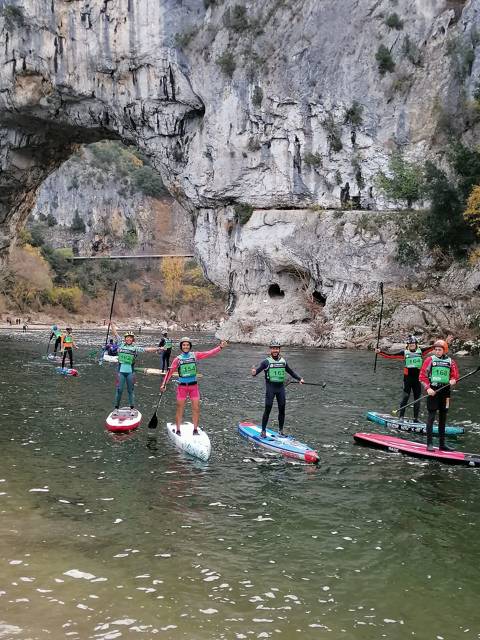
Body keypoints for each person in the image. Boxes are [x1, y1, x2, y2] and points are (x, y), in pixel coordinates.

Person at [161, 337, 227, 436]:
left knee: (196, 408)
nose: (186, 346)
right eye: (184, 345)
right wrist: (163, 384)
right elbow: (170, 372)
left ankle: (195, 430)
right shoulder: (177, 359)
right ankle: (178, 430)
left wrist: (220, 347)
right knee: (180, 408)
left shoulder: (195, 355)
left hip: (194, 387)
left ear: (190, 346)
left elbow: (209, 353)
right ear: (181, 346)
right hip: (182, 387)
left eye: (187, 345)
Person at [251, 340, 304, 438]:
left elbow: (291, 372)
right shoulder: (266, 362)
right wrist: (254, 372)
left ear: (279, 350)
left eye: (277, 348)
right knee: (268, 408)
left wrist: (300, 378)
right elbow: (256, 373)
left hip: (280, 388)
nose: (275, 350)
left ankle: (280, 431)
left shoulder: (283, 361)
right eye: (273, 348)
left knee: (282, 409)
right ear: (270, 349)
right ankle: (263, 431)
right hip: (271, 388)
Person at [375, 336, 434, 422]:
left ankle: (415, 419)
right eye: (410, 344)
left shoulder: (421, 351)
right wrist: (380, 352)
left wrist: (445, 342)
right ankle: (401, 417)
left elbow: (433, 347)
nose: (412, 345)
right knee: (405, 397)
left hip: (418, 379)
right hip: (407, 379)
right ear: (408, 345)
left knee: (417, 399)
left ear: (416, 344)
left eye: (413, 344)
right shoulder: (404, 352)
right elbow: (390, 356)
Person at [419, 340, 459, 451]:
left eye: (439, 350)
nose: (437, 351)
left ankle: (442, 444)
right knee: (431, 416)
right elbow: (422, 376)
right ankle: (429, 444)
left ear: (444, 350)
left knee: (443, 417)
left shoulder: (451, 362)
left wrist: (453, 380)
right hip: (433, 391)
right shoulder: (429, 360)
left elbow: (455, 376)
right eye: (435, 349)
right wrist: (428, 388)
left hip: (445, 392)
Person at [111, 327, 158, 414]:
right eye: (127, 337)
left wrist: (159, 348)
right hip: (120, 372)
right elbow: (116, 334)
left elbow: (146, 350)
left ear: (133, 339)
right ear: (125, 339)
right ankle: (116, 408)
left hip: (130, 373)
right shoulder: (121, 344)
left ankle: (132, 408)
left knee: (130, 390)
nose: (129, 339)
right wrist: (111, 324)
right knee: (119, 390)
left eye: (130, 337)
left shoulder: (135, 348)